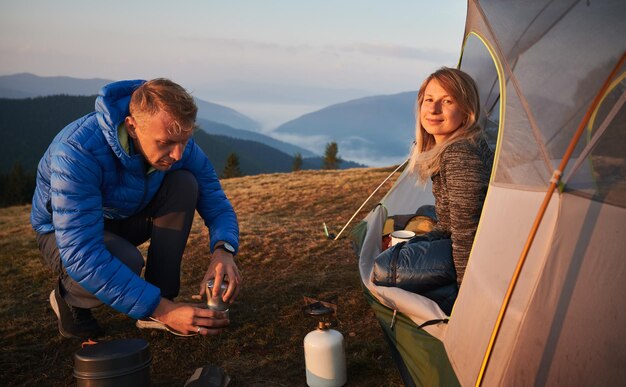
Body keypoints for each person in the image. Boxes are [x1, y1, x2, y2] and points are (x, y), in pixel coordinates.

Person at [30, 78, 242, 339]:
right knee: (127, 259)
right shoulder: (77, 152)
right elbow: (82, 253)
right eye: (165, 143)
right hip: (62, 234)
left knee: (185, 183)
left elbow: (215, 199)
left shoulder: (176, 144)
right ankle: (68, 298)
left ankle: (161, 295)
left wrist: (224, 250)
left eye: (184, 141)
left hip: (122, 215)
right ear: (132, 126)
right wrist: (163, 311)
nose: (178, 154)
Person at [408, 67, 494, 284]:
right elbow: (447, 225)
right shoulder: (450, 147)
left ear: (467, 112)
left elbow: (466, 233)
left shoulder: (460, 155)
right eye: (429, 100)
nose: (434, 109)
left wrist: (465, 293)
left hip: (476, 259)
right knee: (414, 231)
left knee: (386, 268)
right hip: (457, 244)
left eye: (447, 101)